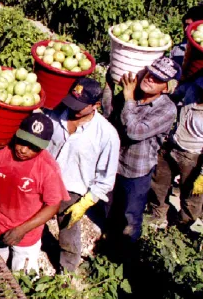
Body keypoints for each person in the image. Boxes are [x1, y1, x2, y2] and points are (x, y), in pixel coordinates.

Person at [0, 114, 69, 272]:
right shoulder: (2, 150)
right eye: (22, 141)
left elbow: (53, 205)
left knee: (23, 275)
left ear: (42, 147)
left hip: (27, 235)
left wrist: (21, 230)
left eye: (32, 147)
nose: (23, 150)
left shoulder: (48, 169)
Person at [147, 63, 203, 227]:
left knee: (191, 196)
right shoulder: (193, 89)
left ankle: (184, 223)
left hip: (193, 157)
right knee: (159, 183)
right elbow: (174, 96)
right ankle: (157, 214)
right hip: (172, 144)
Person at [45, 78, 120, 271]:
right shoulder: (55, 114)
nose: (73, 109)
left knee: (68, 231)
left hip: (71, 189)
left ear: (96, 105)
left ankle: (68, 268)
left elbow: (106, 177)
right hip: (43, 178)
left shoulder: (106, 135)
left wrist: (87, 201)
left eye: (79, 106)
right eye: (72, 102)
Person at [104, 58, 180, 249]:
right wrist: (110, 84)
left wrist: (128, 99)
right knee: (112, 206)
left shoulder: (167, 109)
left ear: (166, 88)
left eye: (158, 79)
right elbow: (109, 114)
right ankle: (110, 240)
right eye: (150, 73)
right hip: (116, 161)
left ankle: (127, 252)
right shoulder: (134, 93)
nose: (150, 79)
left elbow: (134, 131)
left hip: (136, 170)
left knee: (130, 215)